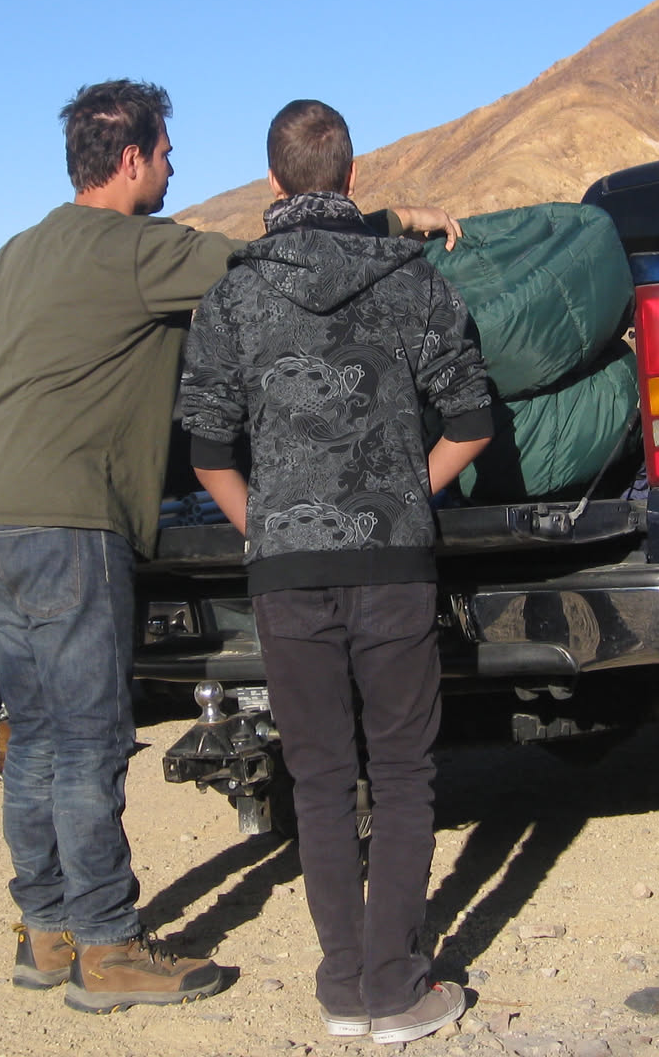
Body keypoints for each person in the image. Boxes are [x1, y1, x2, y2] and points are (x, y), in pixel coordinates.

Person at [0, 80, 461, 1014]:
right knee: (91, 734)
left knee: (37, 729)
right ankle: (107, 947)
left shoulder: (20, 250)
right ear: (131, 158)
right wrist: (390, 220)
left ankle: (46, 931)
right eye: (167, 152)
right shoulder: (143, 250)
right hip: (70, 516)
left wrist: (13, 425)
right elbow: (278, 260)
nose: (173, 168)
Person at [176, 99, 494, 1044]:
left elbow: (207, 449)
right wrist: (406, 497)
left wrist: (265, 527)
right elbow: (473, 421)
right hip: (393, 561)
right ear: (352, 178)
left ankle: (345, 988)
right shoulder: (412, 279)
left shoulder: (231, 297)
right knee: (401, 774)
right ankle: (396, 987)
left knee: (316, 780)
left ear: (274, 183)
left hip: (284, 572)